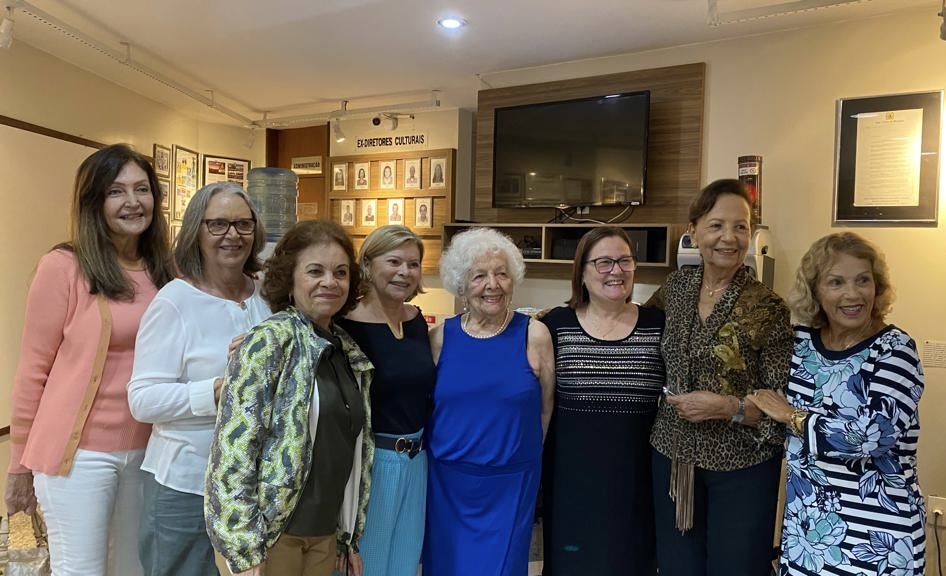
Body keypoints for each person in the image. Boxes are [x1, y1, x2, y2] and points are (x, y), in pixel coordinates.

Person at [4, 143, 173, 575]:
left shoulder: (166, 270)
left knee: (134, 569)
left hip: (148, 451)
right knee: (80, 570)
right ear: (94, 201)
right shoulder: (63, 267)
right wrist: (18, 466)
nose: (133, 202)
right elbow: (33, 371)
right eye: (116, 191)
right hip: (77, 456)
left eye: (142, 189)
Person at [205, 220, 373, 576]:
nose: (330, 282)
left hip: (324, 535)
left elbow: (347, 451)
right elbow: (233, 450)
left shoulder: (348, 352)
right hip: (271, 535)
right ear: (289, 278)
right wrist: (243, 547)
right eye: (315, 271)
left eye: (340, 272)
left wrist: (348, 537)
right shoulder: (268, 342)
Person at [752, 232, 926, 575]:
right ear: (815, 290)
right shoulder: (799, 343)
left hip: (880, 538)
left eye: (863, 280)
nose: (853, 294)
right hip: (806, 534)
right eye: (836, 282)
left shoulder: (895, 349)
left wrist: (792, 416)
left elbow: (873, 437)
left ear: (877, 286)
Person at [645, 179, 792, 576]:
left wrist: (729, 408)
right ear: (693, 231)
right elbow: (634, 326)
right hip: (673, 457)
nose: (729, 237)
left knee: (736, 566)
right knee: (677, 566)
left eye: (740, 227)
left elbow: (781, 404)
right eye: (716, 226)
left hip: (742, 466)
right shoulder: (676, 288)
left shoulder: (768, 307)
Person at [128, 182, 270, 576]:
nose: (232, 235)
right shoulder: (174, 301)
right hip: (187, 485)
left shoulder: (266, 297)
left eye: (243, 224)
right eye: (218, 224)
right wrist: (216, 391)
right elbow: (142, 399)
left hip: (251, 486)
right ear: (197, 231)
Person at [422, 227, 555, 576]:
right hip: (447, 484)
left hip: (511, 484)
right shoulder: (439, 338)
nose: (492, 285)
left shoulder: (534, 335)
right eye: (479, 276)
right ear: (461, 284)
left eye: (501, 274)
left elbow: (545, 409)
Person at [540, 226, 664, 575]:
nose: (616, 271)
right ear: (581, 272)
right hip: (570, 486)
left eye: (625, 261)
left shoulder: (658, 325)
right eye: (603, 262)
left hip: (637, 486)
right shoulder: (554, 326)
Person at [336, 225, 435, 576]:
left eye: (413, 264)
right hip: (372, 463)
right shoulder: (345, 325)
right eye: (394, 262)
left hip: (417, 461)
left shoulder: (416, 321)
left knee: (404, 566)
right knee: (369, 566)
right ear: (367, 264)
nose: (404, 272)